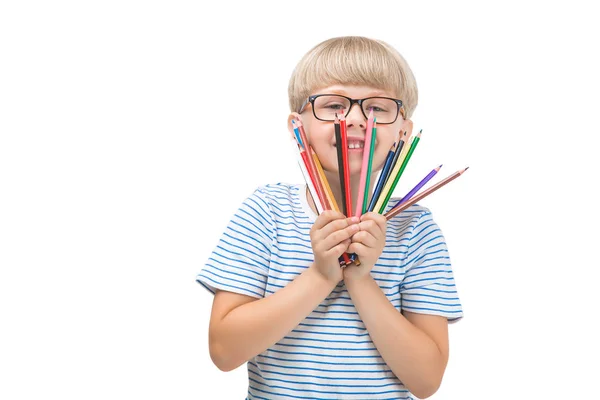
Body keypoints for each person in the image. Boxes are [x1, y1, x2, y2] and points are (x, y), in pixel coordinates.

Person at [197, 36, 463, 400]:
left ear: (403, 132)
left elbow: (426, 380)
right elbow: (224, 352)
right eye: (334, 104)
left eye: (378, 107)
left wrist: (360, 278)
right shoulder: (266, 212)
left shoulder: (416, 228)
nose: (354, 118)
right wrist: (321, 275)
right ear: (298, 127)